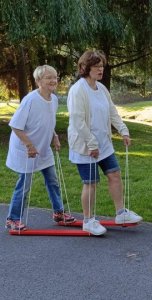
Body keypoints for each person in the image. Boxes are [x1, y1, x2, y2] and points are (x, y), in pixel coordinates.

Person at [67, 50, 142, 236]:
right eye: (97, 67)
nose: (101, 70)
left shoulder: (101, 88)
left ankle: (121, 213)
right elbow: (78, 121)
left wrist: (123, 130)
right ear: (85, 68)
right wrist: (91, 144)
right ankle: (88, 221)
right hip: (85, 146)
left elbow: (112, 111)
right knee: (90, 183)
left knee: (114, 175)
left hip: (104, 144)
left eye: (102, 66)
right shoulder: (78, 90)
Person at [5, 65, 76, 230]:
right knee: (24, 185)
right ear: (38, 81)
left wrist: (55, 136)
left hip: (43, 148)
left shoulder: (54, 99)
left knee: (53, 181)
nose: (53, 80)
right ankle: (12, 219)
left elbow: (47, 121)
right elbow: (16, 126)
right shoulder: (30, 100)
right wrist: (29, 145)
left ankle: (58, 213)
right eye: (48, 77)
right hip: (25, 149)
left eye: (55, 77)